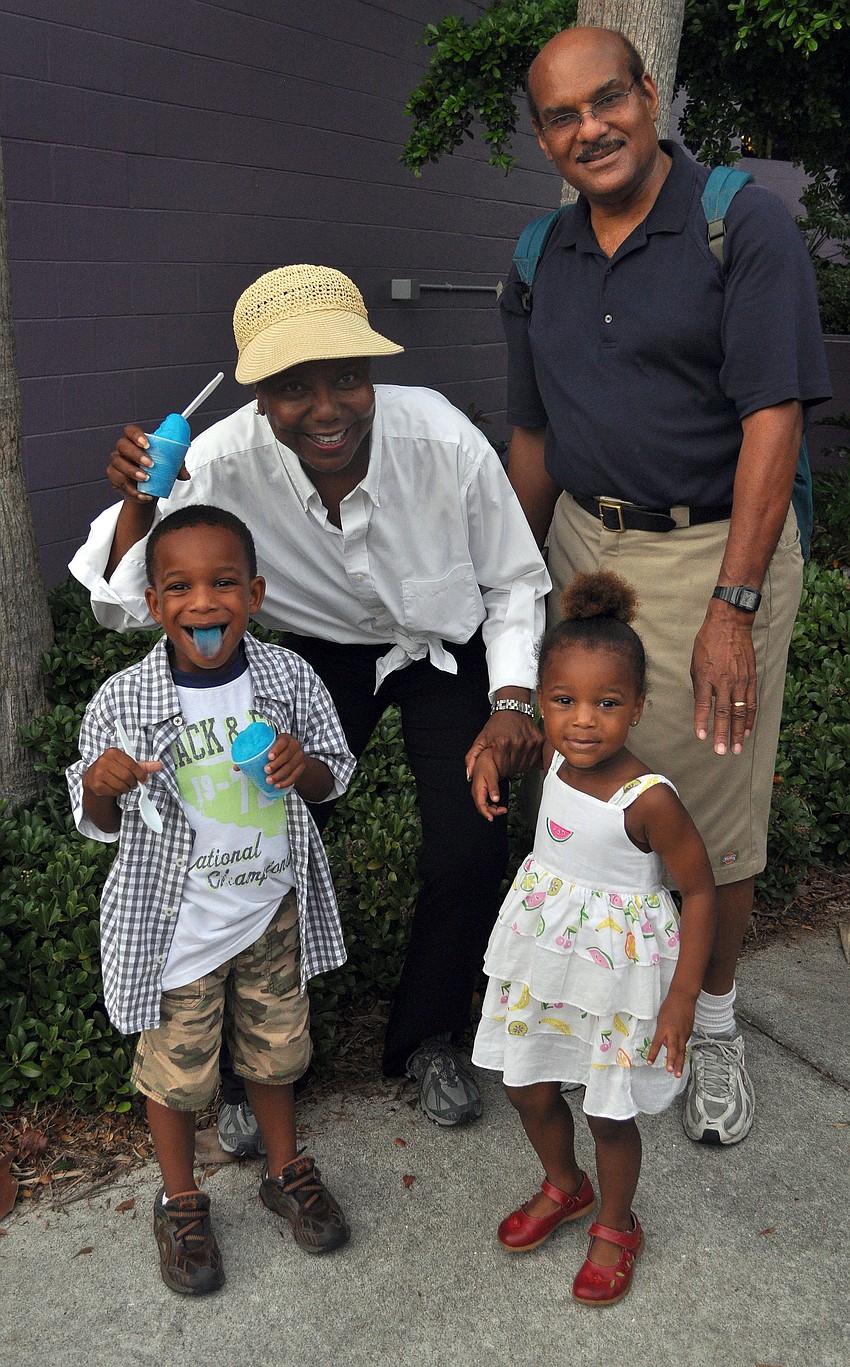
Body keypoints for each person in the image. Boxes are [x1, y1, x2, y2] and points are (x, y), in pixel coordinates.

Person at [69, 264, 550, 1137]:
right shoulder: (215, 458)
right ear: (256, 393)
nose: (327, 408)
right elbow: (117, 597)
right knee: (270, 826)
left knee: (468, 840)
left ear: (372, 375)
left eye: (347, 377)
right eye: (293, 388)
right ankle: (256, 1060)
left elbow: (514, 579)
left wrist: (513, 697)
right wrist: (140, 498)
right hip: (321, 653)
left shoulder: (441, 437)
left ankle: (431, 1032)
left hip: (446, 647)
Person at [495, 25, 832, 1146]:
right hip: (583, 540)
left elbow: (771, 418)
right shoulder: (538, 255)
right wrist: (502, 585)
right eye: (561, 115)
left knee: (705, 814)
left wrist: (734, 607)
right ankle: (610, 994)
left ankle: (718, 1021)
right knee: (579, 781)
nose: (590, 127)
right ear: (541, 134)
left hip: (711, 550)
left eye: (609, 100)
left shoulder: (744, 227)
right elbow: (532, 436)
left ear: (650, 94)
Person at [67, 505, 356, 1294]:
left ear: (254, 592)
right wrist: (101, 784)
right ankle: (181, 1197)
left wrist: (308, 769)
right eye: (180, 587)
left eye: (223, 582)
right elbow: (93, 818)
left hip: (270, 910)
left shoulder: (287, 678)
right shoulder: (124, 698)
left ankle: (284, 1166)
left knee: (277, 1051)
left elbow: (336, 768)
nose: (204, 602)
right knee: (176, 1074)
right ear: (155, 604)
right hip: (178, 930)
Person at [470, 570, 716, 1306]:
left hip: (617, 974)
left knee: (609, 1110)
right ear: (542, 702)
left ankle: (615, 1222)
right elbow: (506, 744)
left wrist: (681, 1002)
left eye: (607, 703)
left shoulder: (651, 801)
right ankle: (564, 1184)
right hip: (545, 956)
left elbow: (700, 890)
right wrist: (487, 754)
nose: (583, 720)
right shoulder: (549, 757)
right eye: (564, 701)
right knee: (526, 1084)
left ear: (637, 707)